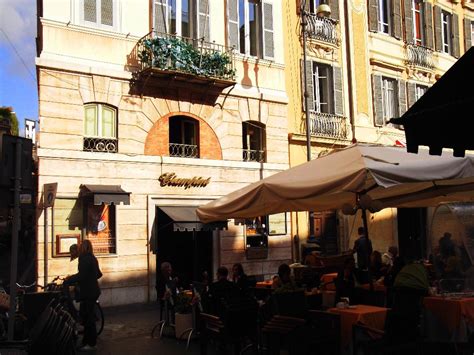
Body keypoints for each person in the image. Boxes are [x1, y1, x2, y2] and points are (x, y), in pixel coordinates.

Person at [64, 239, 102, 351]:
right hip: (93, 291)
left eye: (81, 246)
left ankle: (91, 343)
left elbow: (82, 276)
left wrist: (69, 279)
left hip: (88, 292)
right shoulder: (92, 258)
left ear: (83, 248)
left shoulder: (84, 259)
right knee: (86, 316)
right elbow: (98, 274)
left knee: (88, 319)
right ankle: (86, 341)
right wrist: (90, 278)